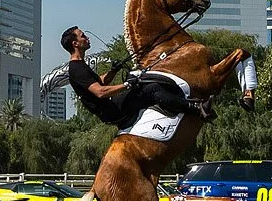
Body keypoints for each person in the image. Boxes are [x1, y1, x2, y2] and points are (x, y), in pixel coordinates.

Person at [60, 27, 191, 129]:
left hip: (111, 106)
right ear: (75, 43)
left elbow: (100, 82)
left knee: (144, 80)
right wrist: (127, 85)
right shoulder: (77, 69)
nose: (87, 37)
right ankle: (193, 107)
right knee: (151, 88)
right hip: (112, 111)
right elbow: (100, 92)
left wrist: (113, 70)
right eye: (83, 36)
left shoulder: (80, 65)